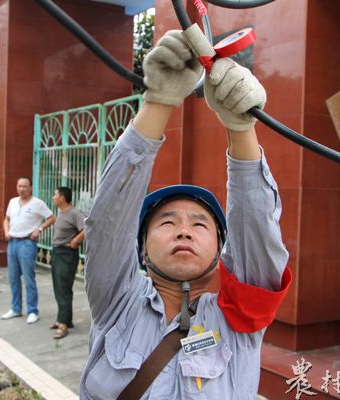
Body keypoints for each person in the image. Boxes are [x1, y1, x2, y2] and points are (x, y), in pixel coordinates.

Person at [80, 31, 292, 399]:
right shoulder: (116, 299)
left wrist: (241, 127)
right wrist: (159, 100)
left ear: (221, 253)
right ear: (142, 251)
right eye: (166, 222)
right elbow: (110, 220)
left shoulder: (237, 319)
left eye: (199, 224)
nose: (183, 230)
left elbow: (257, 232)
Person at [2, 177, 56, 324]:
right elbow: (6, 219)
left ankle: (33, 310)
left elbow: (51, 218)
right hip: (12, 242)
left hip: (27, 243)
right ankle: (16, 308)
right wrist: (6, 232)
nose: (22, 189)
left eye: (25, 186)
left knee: (28, 278)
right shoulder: (12, 201)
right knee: (13, 278)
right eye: (19, 186)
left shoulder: (37, 203)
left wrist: (39, 229)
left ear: (30, 188)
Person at [49, 186, 86, 340]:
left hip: (67, 254)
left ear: (62, 198)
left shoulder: (74, 213)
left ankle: (63, 325)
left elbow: (87, 228)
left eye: (55, 195)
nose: (53, 197)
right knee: (58, 287)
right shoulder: (61, 212)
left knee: (64, 288)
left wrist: (75, 241)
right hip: (57, 252)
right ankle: (64, 319)